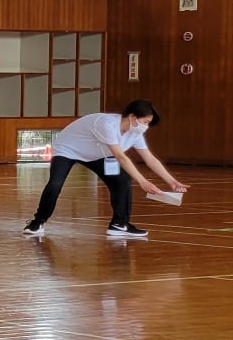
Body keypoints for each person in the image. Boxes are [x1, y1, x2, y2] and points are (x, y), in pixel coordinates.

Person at [24, 100, 186, 240]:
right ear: (132, 117)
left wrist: (171, 181)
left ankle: (119, 224)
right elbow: (121, 157)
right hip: (68, 150)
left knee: (121, 180)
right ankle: (37, 222)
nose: (146, 126)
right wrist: (143, 181)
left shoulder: (135, 133)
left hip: (98, 154)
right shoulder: (106, 124)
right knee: (55, 184)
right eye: (145, 121)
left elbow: (149, 158)